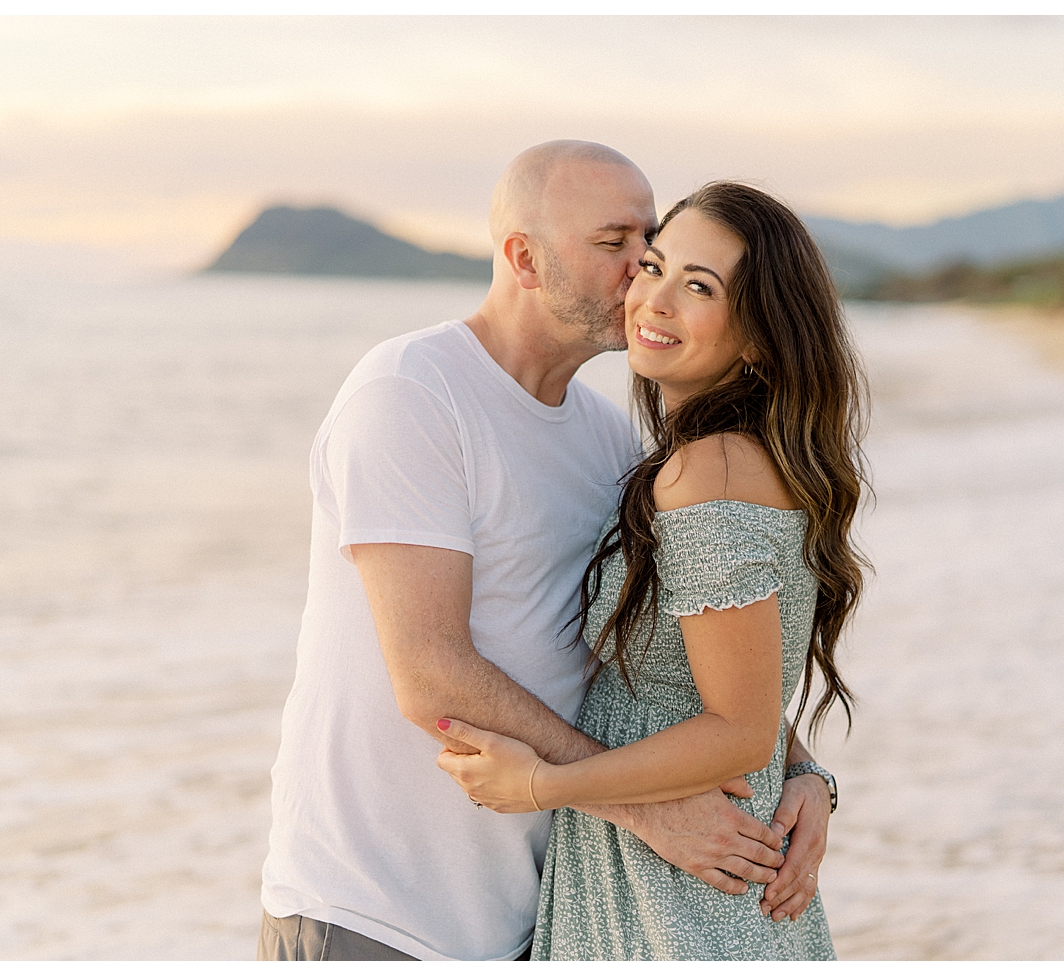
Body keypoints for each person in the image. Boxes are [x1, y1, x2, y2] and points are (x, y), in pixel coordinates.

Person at [257, 144, 836, 961]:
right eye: (616, 243)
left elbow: (674, 651)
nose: (641, 268)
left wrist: (805, 772)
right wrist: (645, 809)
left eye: (652, 239)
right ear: (524, 258)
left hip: (539, 913)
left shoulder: (612, 442)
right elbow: (430, 675)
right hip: (379, 905)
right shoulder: (411, 393)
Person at [435, 180, 869, 960]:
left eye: (698, 287)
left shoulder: (712, 468)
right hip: (690, 867)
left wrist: (543, 785)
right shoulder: (725, 458)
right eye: (655, 266)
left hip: (681, 891)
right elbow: (746, 689)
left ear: (761, 338)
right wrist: (807, 774)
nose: (653, 299)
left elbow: (737, 730)